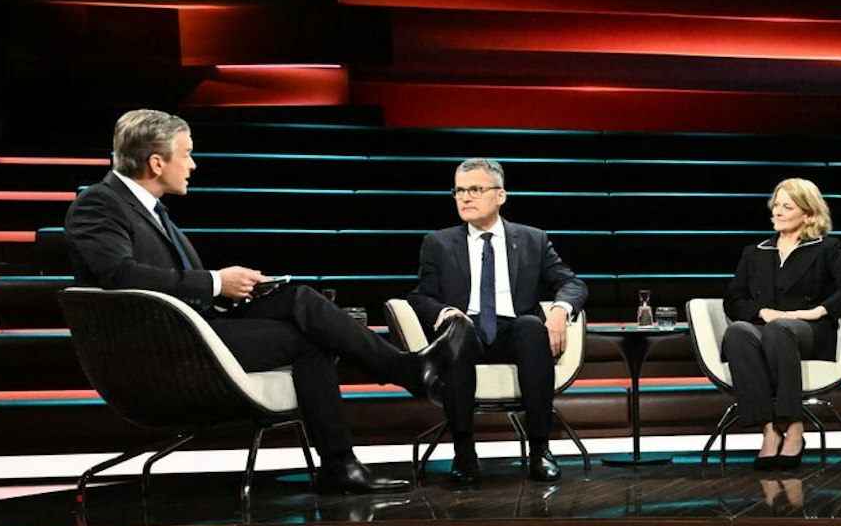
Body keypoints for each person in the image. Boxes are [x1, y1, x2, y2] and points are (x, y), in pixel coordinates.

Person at [63, 109, 466, 494]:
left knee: (298, 298)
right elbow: (120, 276)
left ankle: (389, 398)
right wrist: (217, 282)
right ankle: (382, 408)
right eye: (186, 154)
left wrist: (233, 290)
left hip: (195, 326)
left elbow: (168, 282)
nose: (193, 165)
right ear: (155, 162)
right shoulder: (99, 204)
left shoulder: (148, 209)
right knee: (311, 341)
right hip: (164, 346)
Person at [405, 158, 589, 484]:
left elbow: (573, 283)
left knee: (532, 326)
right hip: (468, 329)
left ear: (500, 195)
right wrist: (445, 313)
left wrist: (560, 311)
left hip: (513, 332)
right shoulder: (438, 243)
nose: (465, 198)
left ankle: (540, 451)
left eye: (475, 189)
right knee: (458, 335)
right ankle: (464, 454)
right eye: (459, 190)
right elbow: (421, 297)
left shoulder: (533, 239)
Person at [721, 178, 841, 470]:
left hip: (809, 332)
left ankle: (796, 427)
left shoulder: (825, 248)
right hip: (766, 327)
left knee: (781, 328)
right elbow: (732, 299)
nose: (778, 211)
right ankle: (769, 431)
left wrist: (816, 312)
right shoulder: (756, 251)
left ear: (808, 214)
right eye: (776, 204)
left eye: (788, 206)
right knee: (736, 332)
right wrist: (762, 313)